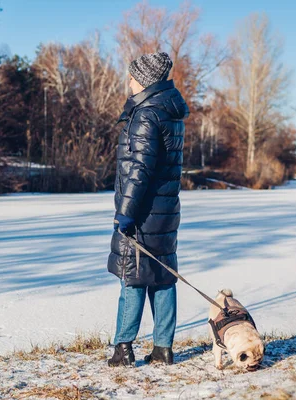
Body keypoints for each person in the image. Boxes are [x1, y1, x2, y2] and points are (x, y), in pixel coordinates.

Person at [107, 51, 189, 367]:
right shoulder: (168, 111)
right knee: (163, 275)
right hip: (166, 211)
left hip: (143, 212)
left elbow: (139, 168)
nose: (128, 81)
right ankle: (163, 349)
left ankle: (123, 349)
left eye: (132, 76)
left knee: (134, 275)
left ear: (144, 80)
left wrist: (126, 212)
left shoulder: (146, 114)